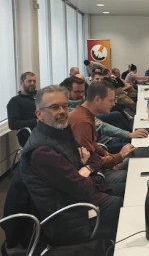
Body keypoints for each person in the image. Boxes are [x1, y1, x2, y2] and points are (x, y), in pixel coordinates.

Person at [19, 85, 124, 241]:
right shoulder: (42, 152)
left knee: (130, 187)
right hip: (72, 217)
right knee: (127, 206)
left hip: (82, 197)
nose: (62, 111)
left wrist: (85, 169)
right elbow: (82, 189)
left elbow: (93, 156)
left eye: (65, 106)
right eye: (54, 107)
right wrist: (86, 168)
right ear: (39, 114)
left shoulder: (61, 133)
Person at [68, 82, 136, 182]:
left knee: (135, 163)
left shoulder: (85, 114)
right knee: (134, 175)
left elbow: (93, 145)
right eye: (110, 101)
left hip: (98, 166)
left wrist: (109, 156)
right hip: (93, 175)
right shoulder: (82, 122)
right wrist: (119, 156)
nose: (113, 104)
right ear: (97, 99)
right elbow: (90, 160)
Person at [62, 76, 147, 153]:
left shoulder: (81, 107)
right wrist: (117, 156)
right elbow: (91, 154)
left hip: (105, 141)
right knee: (137, 147)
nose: (81, 95)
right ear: (67, 92)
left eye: (82, 91)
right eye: (77, 92)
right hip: (104, 145)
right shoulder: (77, 115)